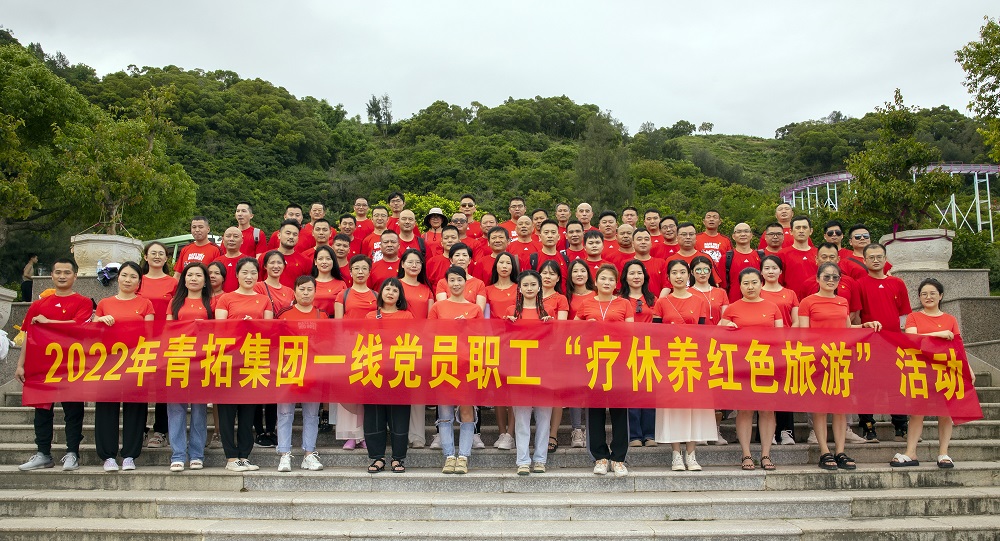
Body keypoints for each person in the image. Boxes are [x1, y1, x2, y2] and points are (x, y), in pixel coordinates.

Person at [798, 262, 879, 471]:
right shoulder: (807, 302)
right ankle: (824, 451)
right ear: (817, 279)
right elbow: (804, 334)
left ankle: (840, 451)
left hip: (840, 359)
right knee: (820, 408)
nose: (831, 280)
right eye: (826, 276)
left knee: (840, 408)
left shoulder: (843, 301)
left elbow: (847, 328)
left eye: (835, 277)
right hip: (818, 360)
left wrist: (864, 326)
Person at [16, 258, 92, 472]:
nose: (62, 276)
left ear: (75, 276)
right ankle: (43, 454)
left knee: (73, 411)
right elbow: (29, 335)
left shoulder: (83, 302)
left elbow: (78, 327)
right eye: (58, 272)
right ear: (51, 275)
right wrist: (20, 364)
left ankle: (72, 453)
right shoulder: (38, 305)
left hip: (72, 365)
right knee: (42, 411)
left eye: (67, 272)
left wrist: (48, 322)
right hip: (41, 366)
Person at [894, 278, 968, 469]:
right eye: (924, 294)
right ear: (919, 297)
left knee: (945, 413)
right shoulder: (914, 317)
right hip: (921, 369)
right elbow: (912, 340)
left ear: (940, 296)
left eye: (932, 293)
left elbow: (958, 346)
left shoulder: (950, 319)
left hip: (946, 370)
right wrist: (939, 334)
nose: (928, 297)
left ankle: (943, 453)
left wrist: (968, 369)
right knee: (917, 412)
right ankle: (911, 452)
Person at [652, 259, 714, 471]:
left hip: (693, 359)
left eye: (682, 272)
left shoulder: (699, 301)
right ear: (668, 277)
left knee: (693, 407)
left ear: (689, 275)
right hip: (670, 360)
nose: (678, 276)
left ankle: (691, 454)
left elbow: (703, 332)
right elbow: (656, 334)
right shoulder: (662, 302)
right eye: (674, 273)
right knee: (673, 407)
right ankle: (676, 454)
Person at [93, 261, 155, 471]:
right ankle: (108, 456)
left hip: (135, 361)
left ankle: (130, 455)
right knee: (106, 408)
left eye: (133, 277)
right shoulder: (105, 303)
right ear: (117, 278)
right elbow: (92, 332)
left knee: (136, 408)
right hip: (108, 362)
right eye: (124, 275)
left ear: (139, 282)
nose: (128, 280)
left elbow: (150, 334)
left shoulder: (145, 304)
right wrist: (100, 321)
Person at [719, 268, 783, 471]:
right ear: (739, 286)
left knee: (767, 410)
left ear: (761, 283)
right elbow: (718, 333)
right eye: (746, 283)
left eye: (754, 282)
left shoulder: (772, 307)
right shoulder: (732, 308)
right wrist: (726, 327)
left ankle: (766, 454)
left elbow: (781, 336)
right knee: (745, 409)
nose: (750, 287)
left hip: (767, 364)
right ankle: (746, 454)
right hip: (742, 365)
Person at [215, 257, 273, 471]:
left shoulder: (264, 300)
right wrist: (239, 325)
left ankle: (244, 455)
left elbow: (269, 329)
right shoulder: (226, 299)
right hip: (229, 359)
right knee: (227, 411)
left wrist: (254, 326)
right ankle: (231, 457)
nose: (249, 277)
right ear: (237, 275)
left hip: (253, 359)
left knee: (249, 410)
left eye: (253, 273)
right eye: (245, 272)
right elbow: (219, 328)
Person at [577, 264, 633, 476]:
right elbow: (572, 330)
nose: (607, 282)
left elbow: (631, 331)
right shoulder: (586, 303)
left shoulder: (624, 303)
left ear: (616, 283)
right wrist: (586, 327)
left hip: (618, 362)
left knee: (619, 410)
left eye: (611, 279)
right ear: (596, 282)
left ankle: (618, 458)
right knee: (595, 410)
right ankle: (600, 457)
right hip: (593, 362)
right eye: (603, 278)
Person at [429, 266, 485, 474]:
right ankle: (448, 455)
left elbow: (482, 338)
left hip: (467, 365)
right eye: (451, 280)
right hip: (444, 364)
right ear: (446, 283)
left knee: (467, 410)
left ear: (465, 282)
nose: (455, 284)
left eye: (459, 280)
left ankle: (463, 456)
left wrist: (467, 327)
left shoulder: (474, 309)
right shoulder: (438, 307)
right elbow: (429, 334)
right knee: (444, 412)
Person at [858, 242, 911, 442]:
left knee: (896, 384)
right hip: (868, 343)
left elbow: (904, 315)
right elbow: (857, 315)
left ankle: (901, 426)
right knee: (867, 385)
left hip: (893, 342)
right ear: (865, 260)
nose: (876, 260)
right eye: (871, 257)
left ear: (885, 258)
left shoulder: (897, 283)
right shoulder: (859, 284)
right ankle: (868, 427)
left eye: (879, 256)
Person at [274, 275, 327, 472]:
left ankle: (309, 454)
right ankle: (284, 454)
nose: (305, 293)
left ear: (315, 292)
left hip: (313, 371)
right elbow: (274, 341)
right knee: (285, 413)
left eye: (309, 289)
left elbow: (327, 342)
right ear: (294, 292)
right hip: (288, 370)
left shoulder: (322, 315)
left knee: (312, 414)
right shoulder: (284, 314)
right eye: (302, 289)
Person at [504, 270, 554, 475]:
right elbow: (504, 341)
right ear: (519, 288)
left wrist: (551, 326)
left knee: (544, 417)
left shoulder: (547, 311)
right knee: (522, 418)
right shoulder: (512, 311)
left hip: (544, 370)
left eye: (533, 284)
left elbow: (554, 342)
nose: (530, 288)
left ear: (540, 287)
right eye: (525, 285)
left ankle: (540, 459)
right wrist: (507, 326)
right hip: (520, 370)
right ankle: (523, 460)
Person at [165, 263, 212, 472]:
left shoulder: (211, 303)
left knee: (199, 410)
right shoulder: (175, 302)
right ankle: (177, 454)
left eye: (198, 275)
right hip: (178, 359)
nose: (193, 278)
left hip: (202, 361)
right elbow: (168, 329)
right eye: (189, 275)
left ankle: (196, 454)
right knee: (176, 409)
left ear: (205, 281)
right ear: (183, 280)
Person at [363, 278, 413, 473]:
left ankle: (398, 458)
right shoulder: (370, 316)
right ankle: (378, 457)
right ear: (381, 293)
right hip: (374, 370)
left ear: (400, 295)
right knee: (374, 416)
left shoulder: (406, 316)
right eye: (387, 289)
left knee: (399, 416)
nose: (390, 293)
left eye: (395, 290)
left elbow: (412, 340)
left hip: (399, 370)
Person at [335, 255, 379, 450]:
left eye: (364, 269)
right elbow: (337, 325)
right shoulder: (343, 295)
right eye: (356, 268)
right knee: (350, 392)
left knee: (366, 393)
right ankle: (351, 435)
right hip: (349, 347)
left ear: (369, 272)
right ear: (350, 272)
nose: (360, 272)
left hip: (370, 348)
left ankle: (365, 434)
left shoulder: (376, 295)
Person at [138, 241, 178, 449]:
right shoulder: (137, 280)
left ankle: (161, 430)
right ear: (145, 257)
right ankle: (139, 428)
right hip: (139, 340)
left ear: (166, 258)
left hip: (166, 339)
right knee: (140, 385)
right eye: (152, 253)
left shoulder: (173, 282)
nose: (156, 256)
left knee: (163, 386)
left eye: (161, 253)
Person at [759, 255, 800, 446]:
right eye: (766, 268)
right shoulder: (757, 292)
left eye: (774, 268)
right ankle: (767, 433)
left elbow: (796, 321)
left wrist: (787, 339)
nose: (770, 271)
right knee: (764, 390)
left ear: (780, 271)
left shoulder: (790, 294)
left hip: (785, 347)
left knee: (784, 389)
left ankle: (786, 431)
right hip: (762, 349)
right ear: (761, 271)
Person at [537, 260, 578, 450]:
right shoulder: (530, 293)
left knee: (555, 394)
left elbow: (560, 326)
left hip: (552, 350)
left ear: (558, 278)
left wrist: (554, 346)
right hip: (530, 349)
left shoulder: (560, 298)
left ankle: (552, 435)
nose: (547, 276)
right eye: (544, 273)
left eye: (552, 273)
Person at [396, 249, 433, 448]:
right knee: (397, 389)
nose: (414, 265)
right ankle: (397, 433)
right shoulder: (395, 285)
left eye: (418, 262)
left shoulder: (426, 290)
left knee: (417, 391)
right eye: (410, 262)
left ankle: (417, 436)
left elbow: (431, 319)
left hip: (420, 344)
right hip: (396, 344)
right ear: (402, 264)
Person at [620, 260, 657, 448]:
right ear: (625, 277)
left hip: (649, 349)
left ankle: (650, 434)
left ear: (645, 276)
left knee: (648, 391)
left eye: (639, 273)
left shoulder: (653, 299)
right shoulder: (620, 300)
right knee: (632, 393)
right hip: (627, 350)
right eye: (632, 273)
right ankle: (634, 434)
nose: (636, 277)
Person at [686, 256, 729, 326]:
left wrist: (716, 330)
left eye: (706, 270)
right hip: (696, 331)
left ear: (710, 271)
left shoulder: (721, 292)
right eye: (698, 270)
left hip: (718, 330)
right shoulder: (687, 293)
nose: (702, 273)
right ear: (692, 272)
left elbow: (725, 317)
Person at [311, 245, 347, 315]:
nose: (324, 262)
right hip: (313, 319)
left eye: (328, 259)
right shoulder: (309, 283)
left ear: (333, 261)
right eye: (320, 259)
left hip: (334, 320)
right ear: (315, 262)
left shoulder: (341, 284)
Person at [215, 226, 248, 293]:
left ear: (242, 241)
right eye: (228, 236)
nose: (231, 239)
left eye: (235, 236)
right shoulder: (217, 262)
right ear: (223, 240)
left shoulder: (248, 262)